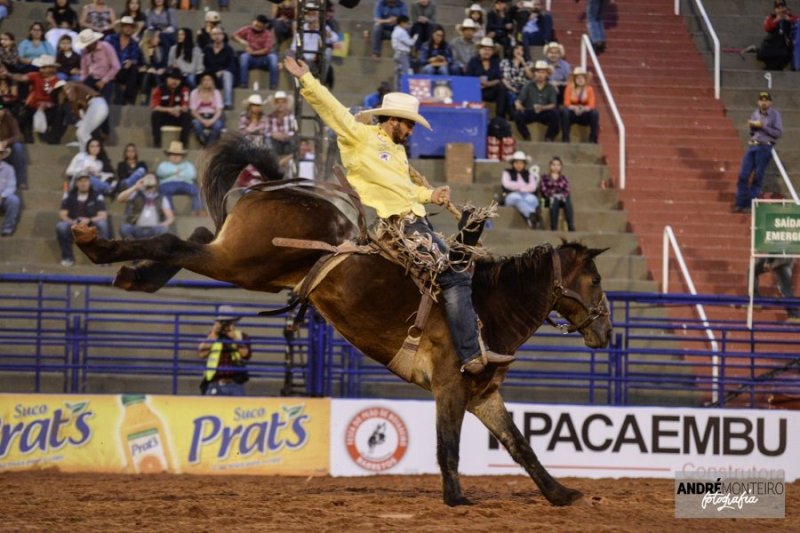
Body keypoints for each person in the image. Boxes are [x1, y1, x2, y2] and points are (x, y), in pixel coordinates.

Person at [284, 55, 515, 375]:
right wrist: (307, 79)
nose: (411, 131)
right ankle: (471, 354)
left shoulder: (398, 151)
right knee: (456, 275)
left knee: (463, 271)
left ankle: (462, 345)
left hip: (418, 221)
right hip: (399, 225)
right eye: (408, 124)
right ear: (393, 120)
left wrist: (430, 195)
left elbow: (407, 191)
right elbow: (333, 111)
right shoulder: (360, 136)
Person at [733, 92, 783, 214]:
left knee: (757, 177)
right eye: (761, 100)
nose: (763, 102)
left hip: (765, 147)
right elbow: (752, 132)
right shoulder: (755, 113)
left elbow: (778, 133)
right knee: (743, 175)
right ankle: (740, 203)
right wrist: (752, 126)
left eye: (766, 100)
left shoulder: (775, 115)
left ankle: (750, 205)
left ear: (770, 102)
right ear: (758, 102)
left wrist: (763, 127)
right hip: (753, 145)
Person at [2, 55, 64, 144]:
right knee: (24, 115)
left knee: (60, 113)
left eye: (44, 68)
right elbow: (22, 77)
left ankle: (53, 141)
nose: (41, 70)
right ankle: (28, 140)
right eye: (41, 67)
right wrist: (8, 74)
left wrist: (48, 105)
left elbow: (60, 99)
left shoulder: (58, 81)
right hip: (33, 107)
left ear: (52, 68)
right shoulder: (35, 75)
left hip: (50, 108)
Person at [56, 173, 111, 266]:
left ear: (89, 182)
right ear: (76, 183)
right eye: (80, 181)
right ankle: (67, 257)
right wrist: (72, 222)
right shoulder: (70, 196)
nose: (83, 183)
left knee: (103, 224)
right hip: (74, 225)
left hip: (91, 226)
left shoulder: (96, 195)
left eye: (85, 180)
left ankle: (103, 258)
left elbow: (103, 215)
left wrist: (89, 220)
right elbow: (62, 214)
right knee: (61, 226)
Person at [198, 305, 252, 396]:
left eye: (228, 322)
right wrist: (214, 334)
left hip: (235, 383)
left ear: (233, 322)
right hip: (214, 382)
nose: (225, 325)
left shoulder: (241, 336)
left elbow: (246, 354)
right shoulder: (212, 336)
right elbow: (202, 354)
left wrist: (235, 338)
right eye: (222, 322)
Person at [53, 79, 109, 152]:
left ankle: (98, 153)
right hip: (97, 104)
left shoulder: (68, 86)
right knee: (82, 133)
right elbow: (82, 109)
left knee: (81, 132)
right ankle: (84, 155)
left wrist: (76, 112)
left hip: (97, 103)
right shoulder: (79, 93)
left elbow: (73, 101)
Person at [117, 172, 175, 239]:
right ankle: (133, 245)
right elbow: (119, 199)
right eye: (147, 178)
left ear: (156, 182)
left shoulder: (161, 198)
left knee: (164, 230)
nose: (149, 179)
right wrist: (135, 187)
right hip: (136, 228)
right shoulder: (136, 194)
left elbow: (170, 217)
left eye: (151, 178)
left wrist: (163, 225)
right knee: (124, 228)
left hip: (153, 229)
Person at [513, 60, 558, 141]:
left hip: (544, 112)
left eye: (543, 72)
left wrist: (543, 108)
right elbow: (518, 100)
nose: (540, 75)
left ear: (546, 74)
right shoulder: (528, 86)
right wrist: (519, 105)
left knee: (556, 114)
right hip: (530, 111)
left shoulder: (550, 87)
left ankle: (549, 137)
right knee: (517, 114)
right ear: (534, 73)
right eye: (538, 72)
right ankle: (527, 136)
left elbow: (553, 104)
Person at [75, 28, 121, 107]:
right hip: (91, 78)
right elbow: (84, 70)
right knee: (82, 99)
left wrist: (103, 81)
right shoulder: (84, 51)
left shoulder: (106, 47)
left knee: (103, 104)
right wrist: (82, 82)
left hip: (106, 78)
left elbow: (116, 66)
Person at [155, 140, 202, 215]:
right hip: (168, 184)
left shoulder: (188, 165)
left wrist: (178, 174)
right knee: (165, 190)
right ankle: (170, 210)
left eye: (178, 154)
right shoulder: (164, 164)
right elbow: (160, 172)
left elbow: (192, 174)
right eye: (173, 154)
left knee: (195, 190)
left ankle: (197, 210)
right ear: (169, 155)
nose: (176, 157)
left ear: (182, 156)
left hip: (185, 184)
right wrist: (175, 171)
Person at [233, 15, 279, 90]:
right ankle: (243, 84)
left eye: (259, 26)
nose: (256, 27)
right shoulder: (248, 29)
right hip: (250, 58)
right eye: (256, 25)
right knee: (244, 57)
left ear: (264, 26)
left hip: (264, 58)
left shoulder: (267, 34)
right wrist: (243, 42)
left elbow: (266, 50)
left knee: (273, 57)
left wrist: (253, 52)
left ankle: (273, 85)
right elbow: (234, 35)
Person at [466, 37, 507, 118]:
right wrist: (479, 83)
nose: (486, 52)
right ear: (480, 50)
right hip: (476, 90)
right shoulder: (473, 61)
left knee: (501, 88)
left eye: (489, 50)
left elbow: (498, 79)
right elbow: (468, 78)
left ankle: (500, 117)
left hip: (490, 90)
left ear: (492, 51)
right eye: (484, 49)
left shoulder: (495, 61)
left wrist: (488, 84)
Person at [150, 67, 190, 147]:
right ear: (167, 79)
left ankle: (183, 144)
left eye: (177, 79)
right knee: (155, 115)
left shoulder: (184, 90)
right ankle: (157, 143)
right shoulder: (159, 89)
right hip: (164, 116)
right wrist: (170, 110)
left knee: (186, 116)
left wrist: (179, 109)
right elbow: (155, 106)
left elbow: (185, 107)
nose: (175, 81)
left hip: (177, 116)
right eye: (172, 78)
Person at [106, 16, 142, 105]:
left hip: (122, 70)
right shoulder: (110, 38)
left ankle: (127, 99)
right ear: (121, 27)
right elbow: (104, 55)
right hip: (109, 68)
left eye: (131, 26)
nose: (128, 28)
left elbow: (135, 58)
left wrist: (131, 61)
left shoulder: (134, 43)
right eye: (126, 26)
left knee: (134, 68)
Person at [501, 150, 541, 229]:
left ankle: (530, 219)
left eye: (521, 163)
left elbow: (533, 187)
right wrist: (522, 186)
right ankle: (532, 215)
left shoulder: (529, 174)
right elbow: (506, 184)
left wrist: (520, 188)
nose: (519, 165)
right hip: (511, 195)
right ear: (513, 163)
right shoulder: (507, 172)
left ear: (524, 164)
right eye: (517, 163)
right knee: (516, 198)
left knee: (532, 199)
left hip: (526, 195)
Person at [757, 0, 799, 70]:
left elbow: (797, 21)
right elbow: (767, 27)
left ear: (786, 8)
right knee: (763, 53)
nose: (781, 9)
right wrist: (776, 20)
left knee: (785, 55)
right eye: (778, 8)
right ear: (775, 9)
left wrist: (789, 19)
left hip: (783, 46)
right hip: (772, 44)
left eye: (782, 7)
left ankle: (772, 68)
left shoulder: (790, 17)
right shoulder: (771, 17)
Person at [561, 67, 599, 143]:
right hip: (572, 113)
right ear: (574, 79)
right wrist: (574, 108)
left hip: (584, 113)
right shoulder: (569, 88)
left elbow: (592, 104)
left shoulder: (589, 89)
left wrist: (583, 109)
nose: (580, 80)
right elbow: (566, 103)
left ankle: (592, 139)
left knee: (595, 113)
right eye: (578, 78)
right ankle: (565, 138)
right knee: (565, 112)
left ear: (585, 79)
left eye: (582, 78)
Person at [202, 26, 235, 110]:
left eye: (219, 34)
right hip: (210, 75)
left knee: (227, 75)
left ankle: (227, 103)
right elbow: (204, 65)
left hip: (223, 76)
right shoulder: (207, 49)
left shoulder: (229, 49)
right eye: (214, 34)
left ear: (223, 36)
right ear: (211, 36)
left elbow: (232, 66)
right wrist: (212, 74)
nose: (217, 36)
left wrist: (222, 71)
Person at [189, 72, 224, 147]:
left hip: (213, 117)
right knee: (195, 124)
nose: (206, 82)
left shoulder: (216, 92)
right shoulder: (194, 93)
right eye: (204, 80)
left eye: (209, 80)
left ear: (212, 82)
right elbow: (193, 111)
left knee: (218, 125)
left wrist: (212, 121)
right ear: (201, 82)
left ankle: (207, 146)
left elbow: (219, 110)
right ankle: (208, 145)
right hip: (199, 117)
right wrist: (203, 120)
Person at [540, 156, 575, 231]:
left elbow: (567, 190)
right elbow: (544, 191)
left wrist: (561, 196)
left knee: (567, 200)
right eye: (554, 164)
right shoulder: (545, 177)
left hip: (561, 200)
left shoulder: (563, 178)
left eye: (558, 165)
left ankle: (571, 225)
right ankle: (554, 227)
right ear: (550, 166)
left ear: (561, 167)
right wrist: (553, 195)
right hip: (547, 200)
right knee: (555, 200)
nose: (556, 167)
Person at [0, 103, 27, 191]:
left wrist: (6, 142)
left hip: (7, 152)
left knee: (18, 147)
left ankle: (21, 181)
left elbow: (18, 136)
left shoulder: (10, 120)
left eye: (1, 109)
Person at [500, 43, 532, 112]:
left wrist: (523, 62)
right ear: (512, 50)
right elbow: (502, 78)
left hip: (524, 89)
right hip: (509, 87)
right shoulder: (504, 62)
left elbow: (531, 76)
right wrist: (511, 88)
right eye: (517, 48)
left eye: (521, 50)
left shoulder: (528, 63)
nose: (519, 51)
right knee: (510, 94)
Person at [139, 29, 167, 105]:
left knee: (153, 74)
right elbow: (138, 64)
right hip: (143, 74)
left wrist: (162, 70)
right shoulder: (140, 49)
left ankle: (144, 101)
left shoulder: (160, 50)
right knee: (148, 74)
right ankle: (160, 97)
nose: (159, 39)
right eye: (157, 37)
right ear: (150, 38)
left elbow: (164, 65)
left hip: (156, 73)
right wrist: (147, 69)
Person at [265, 90, 297, 156]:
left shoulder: (291, 116)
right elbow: (266, 132)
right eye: (278, 102)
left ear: (286, 104)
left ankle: (291, 160)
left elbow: (295, 130)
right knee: (267, 140)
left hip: (288, 140)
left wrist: (286, 135)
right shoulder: (270, 116)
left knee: (294, 141)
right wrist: (273, 134)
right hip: (274, 141)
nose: (280, 105)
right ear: (275, 104)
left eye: (283, 102)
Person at [391, 15, 415, 91]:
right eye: (407, 23)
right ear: (402, 23)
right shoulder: (401, 32)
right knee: (405, 74)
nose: (408, 25)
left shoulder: (395, 31)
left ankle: (397, 90)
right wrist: (415, 38)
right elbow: (410, 43)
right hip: (402, 55)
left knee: (398, 75)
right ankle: (403, 91)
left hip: (398, 54)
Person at [0, 146, 20, 236]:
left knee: (14, 200)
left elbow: (11, 186)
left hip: (3, 198)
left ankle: (7, 229)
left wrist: (2, 196)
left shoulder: (9, 169)